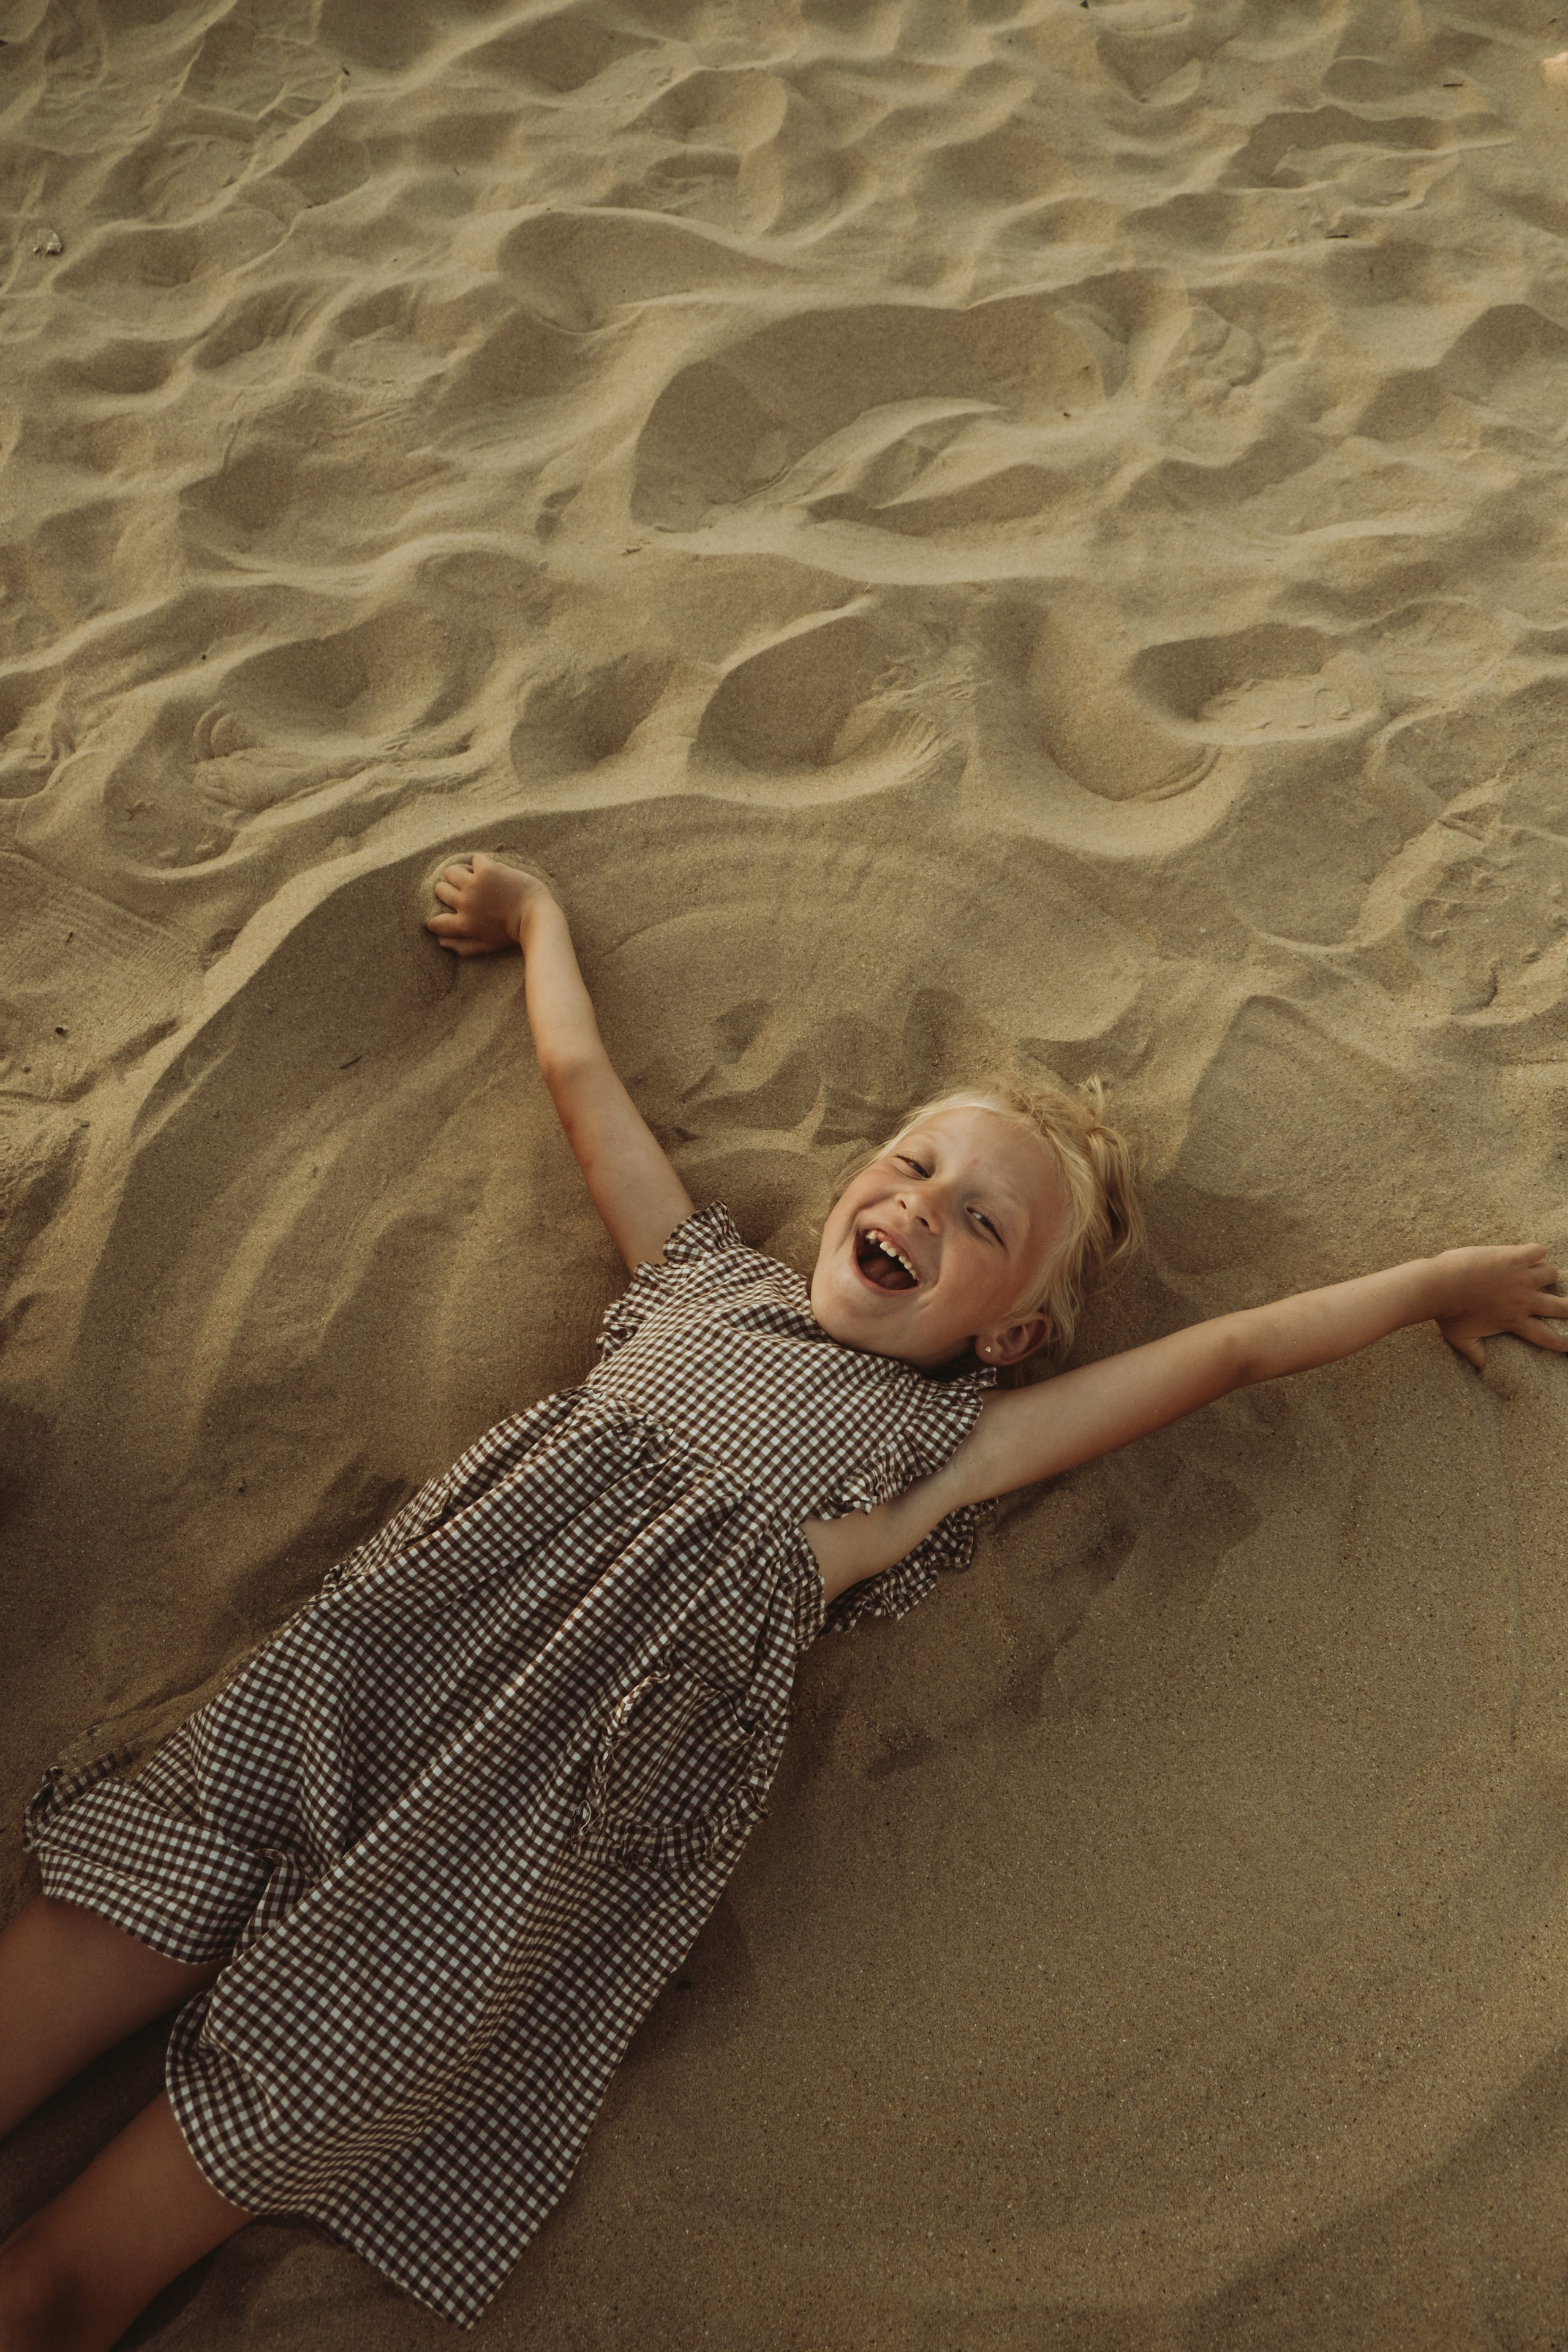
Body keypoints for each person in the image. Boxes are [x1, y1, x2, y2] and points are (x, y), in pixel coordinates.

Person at [2, 853, 1563, 2350]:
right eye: (915, 1166)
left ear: (1009, 1340)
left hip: (505, 1850)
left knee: (72, 2282)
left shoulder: (945, 1449)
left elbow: (1225, 1352)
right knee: (66, 1971)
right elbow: (582, 1090)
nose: (925, 1205)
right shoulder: (695, 1285)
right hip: (358, 1684)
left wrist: (1435, 1284)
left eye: (982, 1223)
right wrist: (538, 923)